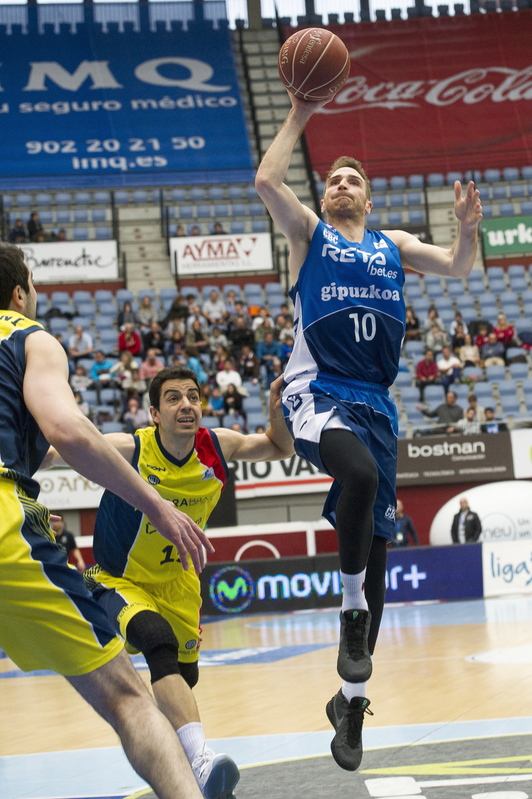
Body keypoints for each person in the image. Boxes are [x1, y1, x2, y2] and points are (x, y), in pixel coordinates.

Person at [255, 89, 482, 772]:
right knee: (353, 475)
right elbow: (268, 179)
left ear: (371, 199)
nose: (341, 184)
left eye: (353, 179)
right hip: (318, 391)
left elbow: (460, 266)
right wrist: (299, 112)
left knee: (377, 555)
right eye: (333, 180)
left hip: (376, 403)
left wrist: (468, 228)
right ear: (323, 200)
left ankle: (350, 704)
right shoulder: (308, 236)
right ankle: (350, 611)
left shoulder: (393, 246)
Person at [0, 243, 211, 799]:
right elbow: (67, 431)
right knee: (127, 698)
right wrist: (155, 503)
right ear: (20, 291)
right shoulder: (27, 336)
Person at [48, 366, 294, 799]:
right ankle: (200, 760)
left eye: (193, 396)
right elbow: (56, 451)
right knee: (155, 642)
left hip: (179, 584)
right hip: (118, 579)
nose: (187, 405)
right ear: (154, 413)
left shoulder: (218, 445)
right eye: (174, 398)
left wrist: (277, 414)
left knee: (183, 679)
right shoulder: (131, 449)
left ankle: (180, 765)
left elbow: (277, 447)